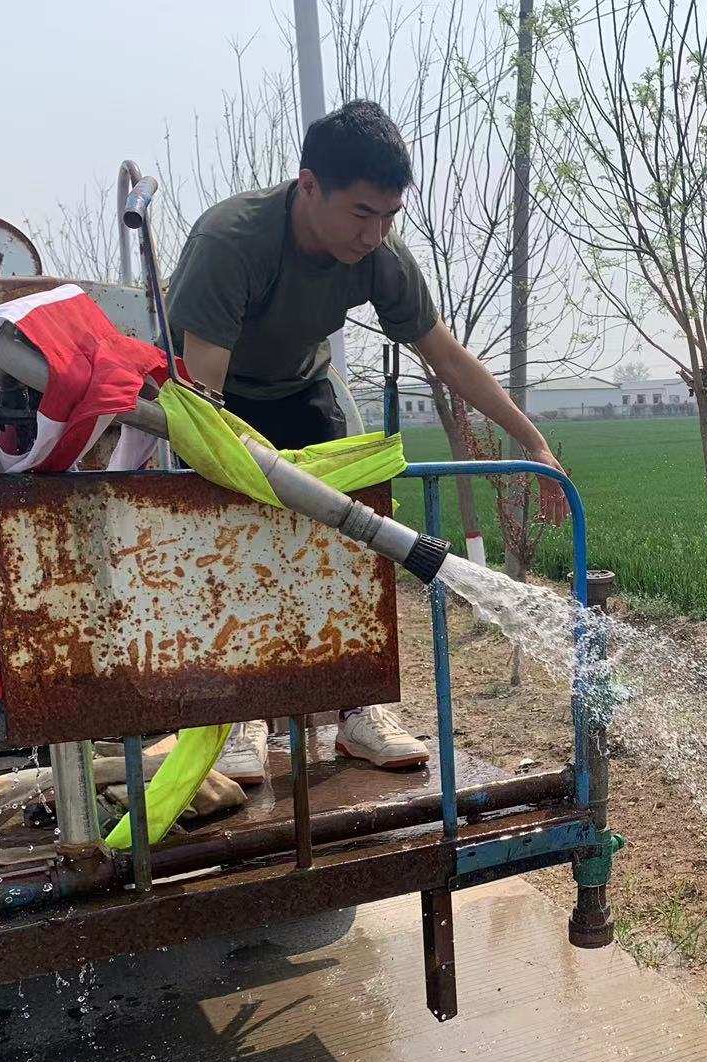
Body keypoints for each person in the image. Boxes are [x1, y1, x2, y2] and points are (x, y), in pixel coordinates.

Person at [165, 99, 567, 783]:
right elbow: (204, 386)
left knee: (349, 545)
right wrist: (245, 472)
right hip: (213, 401)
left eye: (390, 217)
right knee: (232, 545)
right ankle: (239, 719)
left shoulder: (380, 255)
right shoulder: (231, 241)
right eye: (361, 214)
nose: (375, 233)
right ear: (310, 185)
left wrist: (532, 440)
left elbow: (445, 354)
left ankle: (358, 712)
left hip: (302, 392)